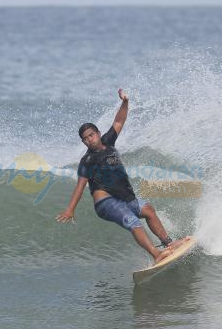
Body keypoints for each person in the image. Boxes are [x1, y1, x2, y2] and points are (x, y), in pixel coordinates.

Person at [56, 89, 185, 263]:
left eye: (91, 135)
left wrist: (125, 101)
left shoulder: (108, 141)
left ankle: (169, 244)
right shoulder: (87, 160)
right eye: (85, 139)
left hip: (124, 198)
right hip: (106, 203)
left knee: (148, 210)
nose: (89, 140)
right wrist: (70, 209)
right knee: (133, 222)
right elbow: (80, 186)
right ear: (83, 142)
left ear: (98, 134)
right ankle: (156, 255)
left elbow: (119, 120)